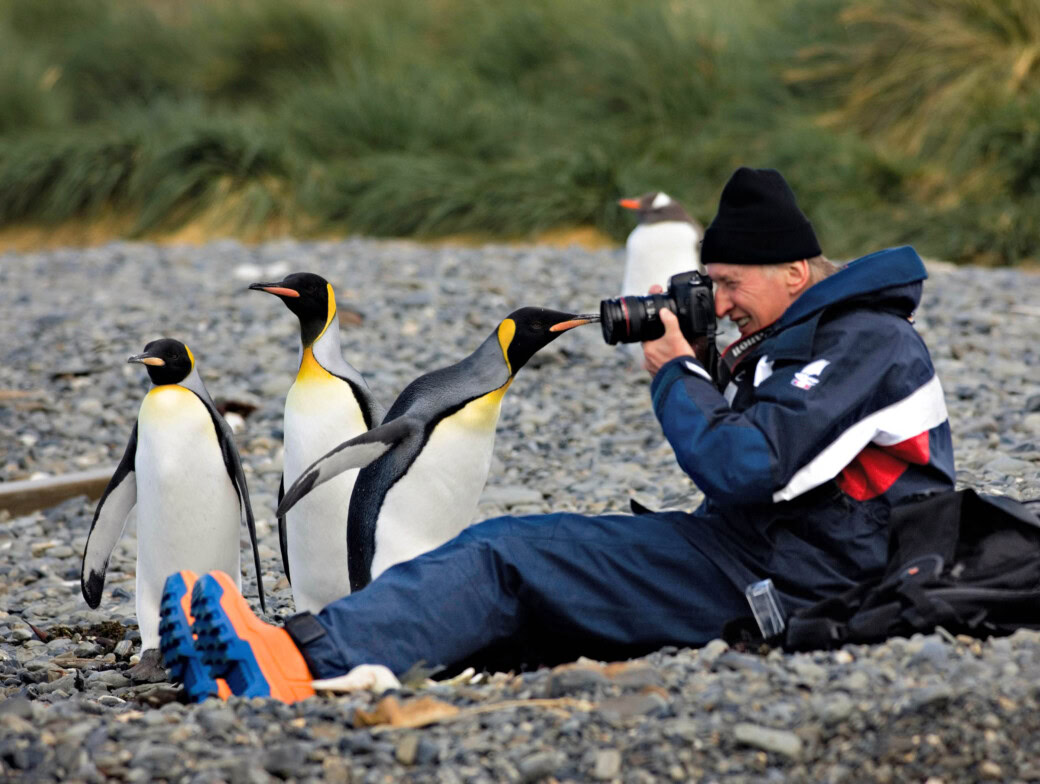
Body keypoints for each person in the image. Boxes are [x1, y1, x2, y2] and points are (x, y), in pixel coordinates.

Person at [162, 167, 956, 702]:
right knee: (532, 593)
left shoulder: (867, 343)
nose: (718, 301)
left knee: (508, 556)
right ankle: (302, 655)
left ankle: (295, 657)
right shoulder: (817, 338)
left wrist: (678, 373)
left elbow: (745, 463)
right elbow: (778, 453)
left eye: (728, 285)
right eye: (709, 284)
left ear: (795, 273)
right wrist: (720, 361)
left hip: (800, 581)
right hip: (774, 557)